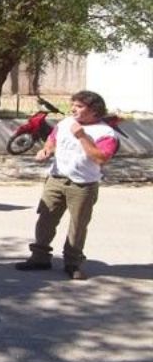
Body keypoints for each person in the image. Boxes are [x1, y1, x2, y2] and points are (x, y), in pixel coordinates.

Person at [14, 91, 118, 280]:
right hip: (56, 179)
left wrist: (82, 136)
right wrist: (46, 151)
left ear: (94, 110)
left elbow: (101, 158)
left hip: (83, 185)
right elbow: (52, 139)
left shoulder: (106, 133)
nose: (73, 109)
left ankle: (73, 263)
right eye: (73, 105)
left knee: (78, 225)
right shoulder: (65, 123)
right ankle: (39, 258)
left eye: (79, 106)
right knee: (45, 219)